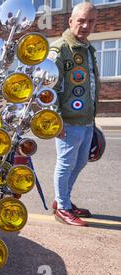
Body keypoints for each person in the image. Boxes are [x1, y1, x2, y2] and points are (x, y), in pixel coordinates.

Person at [48, 2, 100, 227]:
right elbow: (47, 88)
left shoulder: (88, 48)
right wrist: (55, 119)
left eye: (91, 21)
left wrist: (93, 118)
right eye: (81, 20)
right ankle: (62, 207)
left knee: (79, 163)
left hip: (86, 120)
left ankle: (63, 200)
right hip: (67, 121)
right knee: (66, 163)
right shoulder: (60, 49)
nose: (86, 25)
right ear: (70, 21)